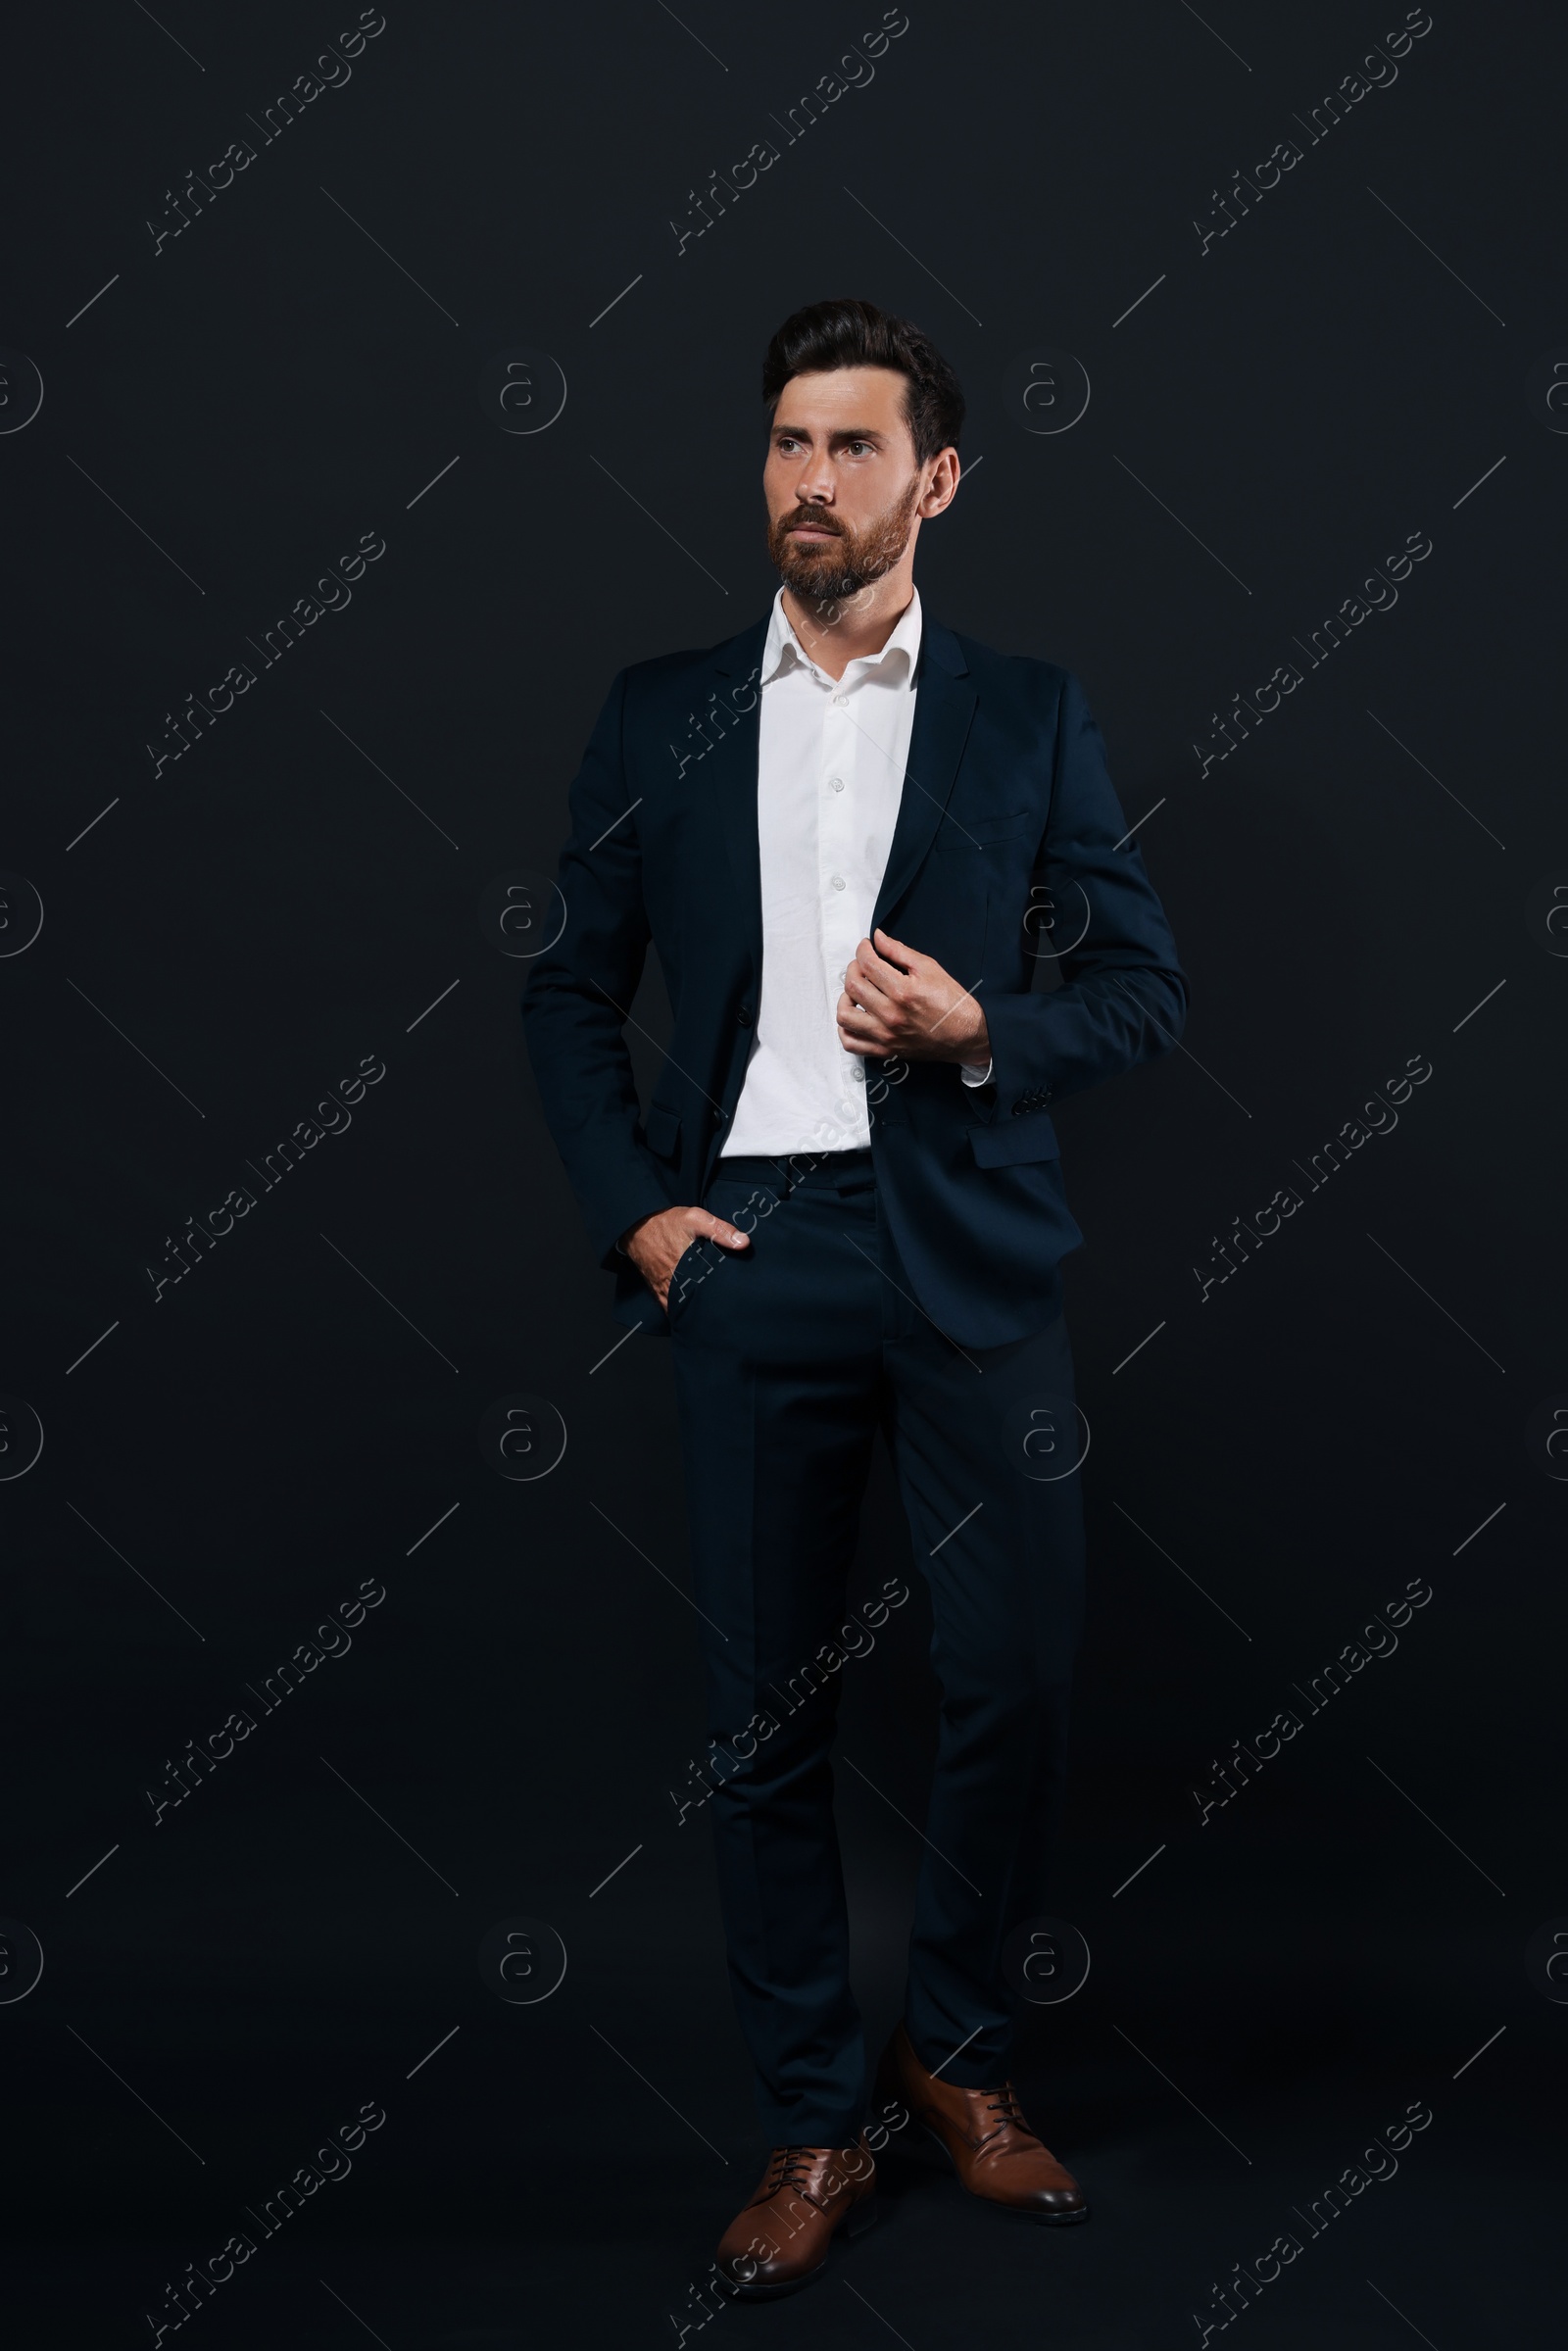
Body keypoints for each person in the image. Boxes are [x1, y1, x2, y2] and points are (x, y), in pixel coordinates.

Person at [523, 297, 1187, 2298]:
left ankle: (959, 2054)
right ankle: (813, 2122)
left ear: (937, 479)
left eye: (850, 449)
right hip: (748, 1263)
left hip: (969, 1266)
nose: (806, 484)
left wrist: (988, 1026)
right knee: (762, 1730)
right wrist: (638, 1219)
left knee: (1014, 1684)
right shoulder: (660, 712)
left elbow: (1142, 989)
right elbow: (564, 983)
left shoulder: (1026, 710)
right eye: (783, 445)